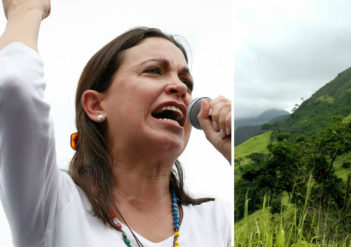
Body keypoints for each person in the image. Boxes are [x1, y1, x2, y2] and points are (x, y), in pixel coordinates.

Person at [0, 0, 232, 246]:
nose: (181, 87)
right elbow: (16, 85)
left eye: (186, 81)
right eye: (153, 71)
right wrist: (26, 10)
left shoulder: (220, 220)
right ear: (96, 106)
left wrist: (232, 150)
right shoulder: (53, 205)